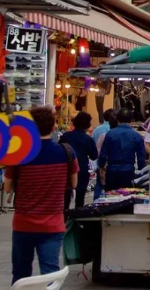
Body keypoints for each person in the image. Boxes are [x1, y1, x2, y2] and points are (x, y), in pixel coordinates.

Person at [4, 106, 79, 284]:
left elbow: (7, 188)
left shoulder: (18, 154)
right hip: (52, 224)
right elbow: (74, 184)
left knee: (20, 274)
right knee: (50, 274)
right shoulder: (66, 152)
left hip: (23, 223)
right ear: (54, 126)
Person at [98, 109, 147, 191]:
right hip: (128, 170)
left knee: (111, 197)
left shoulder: (110, 134)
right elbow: (141, 158)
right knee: (127, 196)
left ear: (118, 119)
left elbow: (103, 153)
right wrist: (140, 172)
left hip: (112, 170)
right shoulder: (136, 136)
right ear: (131, 120)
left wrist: (101, 166)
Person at [59, 112, 98, 209]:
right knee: (80, 198)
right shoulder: (88, 139)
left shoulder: (65, 136)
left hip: (66, 169)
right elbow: (94, 156)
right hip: (82, 169)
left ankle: (65, 216)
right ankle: (77, 217)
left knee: (65, 197)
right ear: (87, 125)